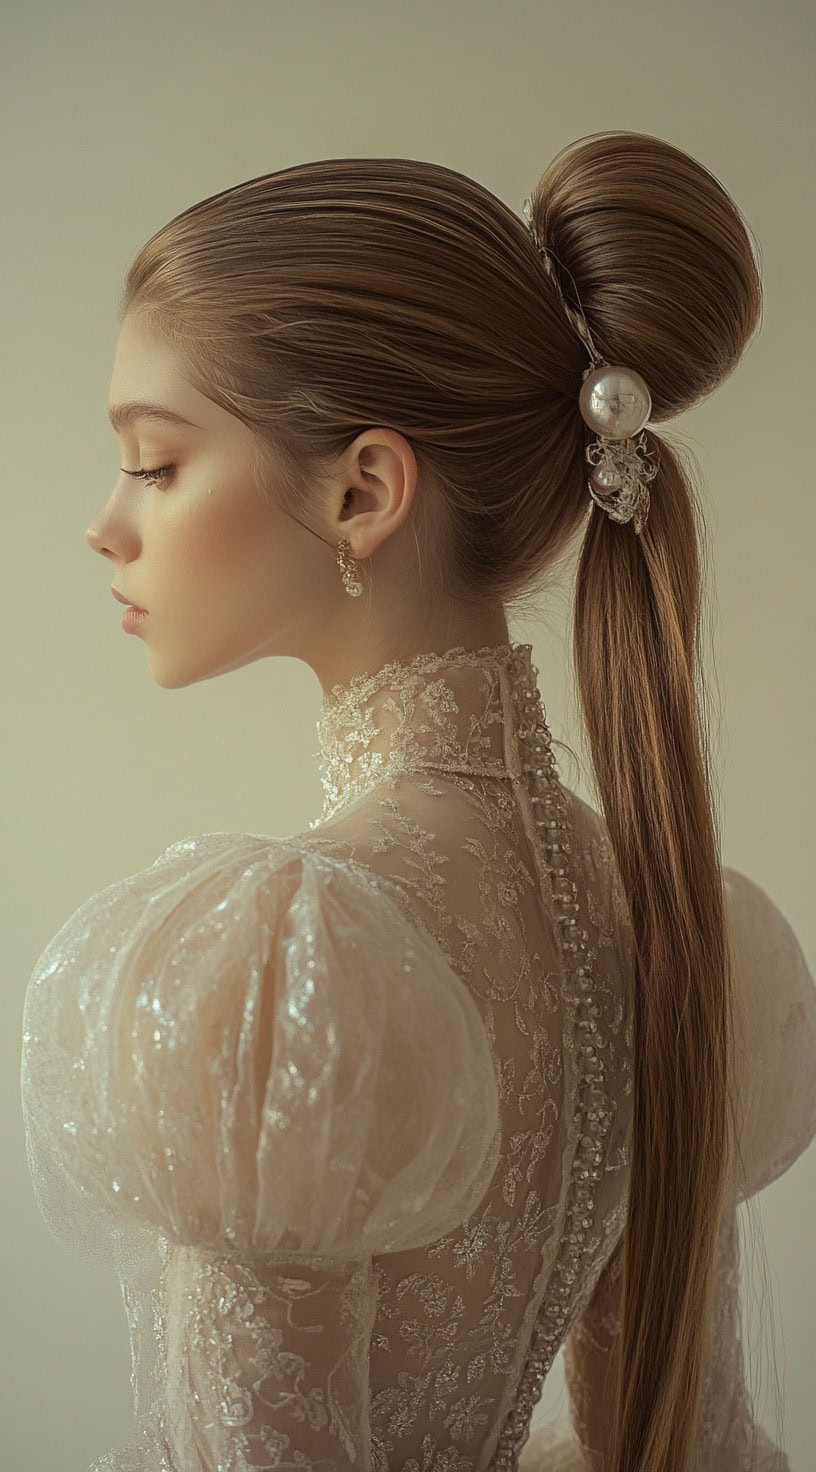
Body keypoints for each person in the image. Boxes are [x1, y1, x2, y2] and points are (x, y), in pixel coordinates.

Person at [20, 131, 816, 1472]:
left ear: (363, 490)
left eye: (154, 461)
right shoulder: (685, 934)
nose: (106, 522)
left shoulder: (287, 969)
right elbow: (681, 1442)